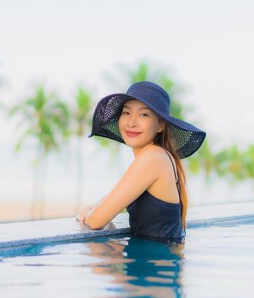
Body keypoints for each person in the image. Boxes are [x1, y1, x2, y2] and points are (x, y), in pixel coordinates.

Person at [76, 81, 206, 241]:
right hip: (160, 258)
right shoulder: (159, 156)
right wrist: (94, 209)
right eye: (126, 113)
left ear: (160, 125)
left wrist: (90, 213)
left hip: (154, 261)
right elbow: (112, 200)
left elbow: (95, 221)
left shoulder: (152, 157)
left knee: (95, 256)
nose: (131, 122)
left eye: (143, 114)